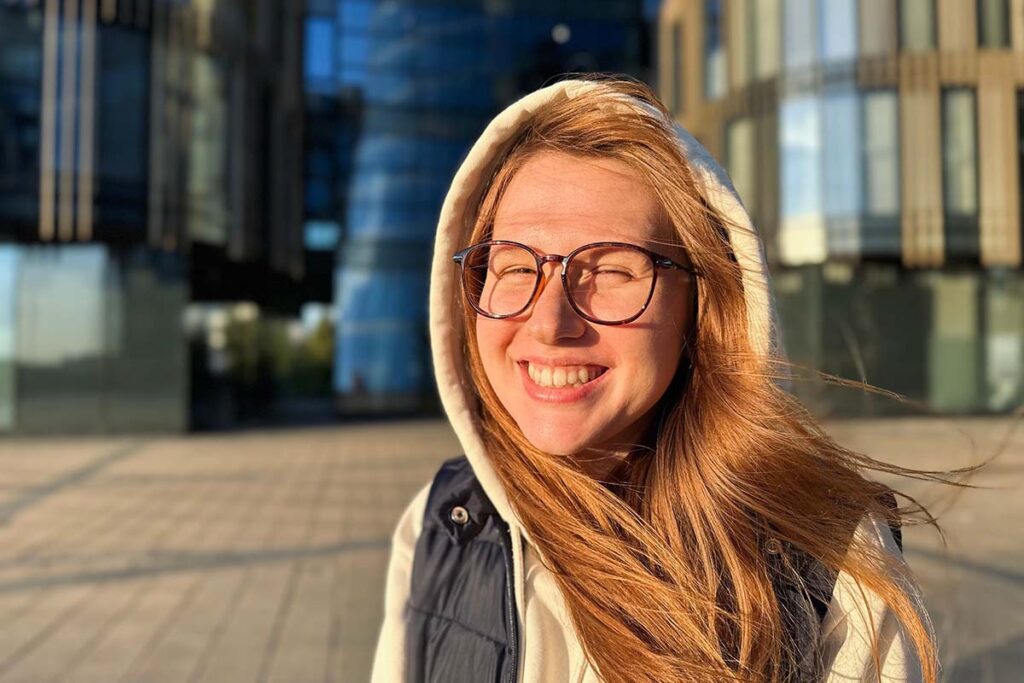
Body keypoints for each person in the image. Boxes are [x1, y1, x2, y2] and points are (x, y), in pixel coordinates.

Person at [370, 76, 939, 683]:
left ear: (701, 305)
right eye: (513, 265)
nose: (550, 322)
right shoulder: (441, 523)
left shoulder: (833, 559)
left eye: (613, 269)